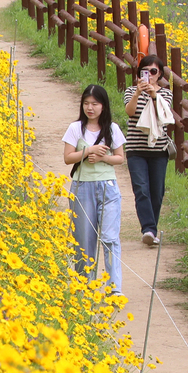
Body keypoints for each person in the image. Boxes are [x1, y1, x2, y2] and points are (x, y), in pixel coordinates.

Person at [63, 84, 125, 295]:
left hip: (108, 187)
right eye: (86, 104)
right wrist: (88, 150)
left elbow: (120, 158)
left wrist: (102, 157)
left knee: (109, 238)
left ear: (103, 106)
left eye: (95, 104)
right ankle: (85, 285)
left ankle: (114, 288)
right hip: (82, 187)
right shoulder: (75, 128)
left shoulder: (113, 128)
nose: (90, 108)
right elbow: (67, 158)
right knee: (83, 239)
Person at [123, 54, 174, 246]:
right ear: (139, 73)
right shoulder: (130, 91)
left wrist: (153, 95)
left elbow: (163, 115)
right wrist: (138, 93)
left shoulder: (165, 94)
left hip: (158, 150)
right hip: (136, 149)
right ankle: (149, 230)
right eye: (146, 71)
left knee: (156, 192)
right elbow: (130, 112)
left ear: (159, 74)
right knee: (141, 189)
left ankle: (151, 229)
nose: (150, 75)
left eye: (154, 71)